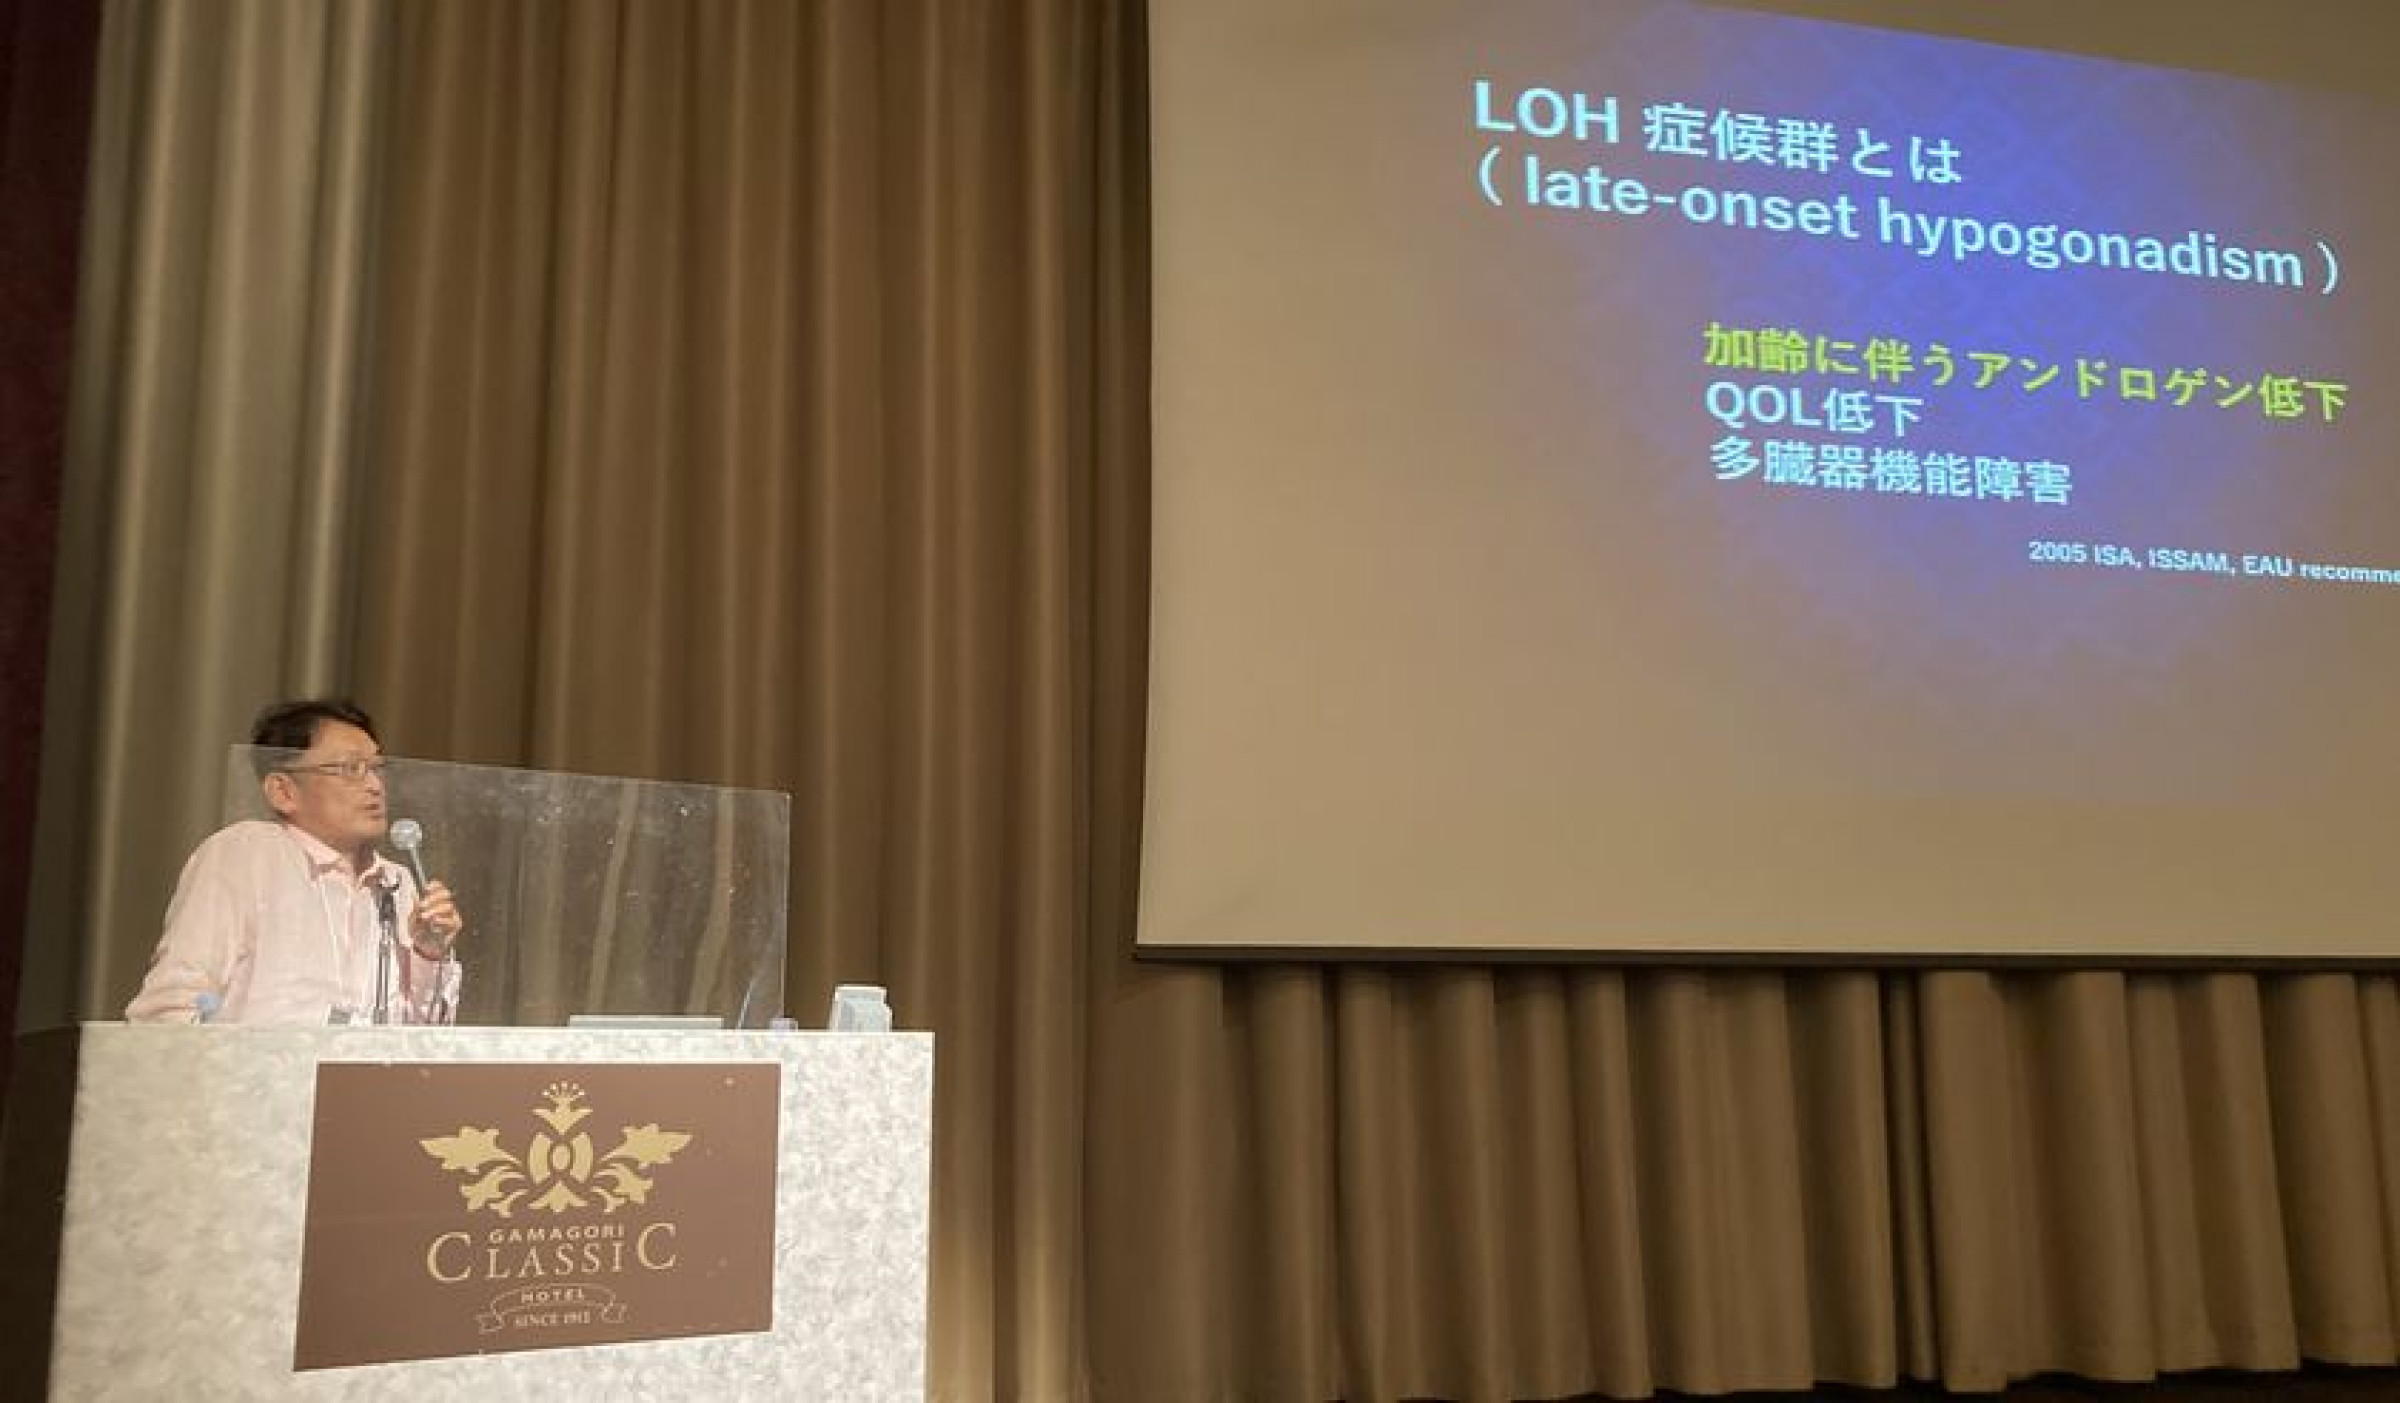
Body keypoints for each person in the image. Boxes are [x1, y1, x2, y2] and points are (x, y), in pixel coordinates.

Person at [125, 698, 465, 1025]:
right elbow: (172, 1005)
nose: (375, 786)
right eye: (351, 769)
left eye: (378, 768)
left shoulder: (397, 881)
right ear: (283, 791)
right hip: (256, 1066)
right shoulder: (246, 854)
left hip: (365, 1069)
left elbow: (421, 1040)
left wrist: (428, 954)